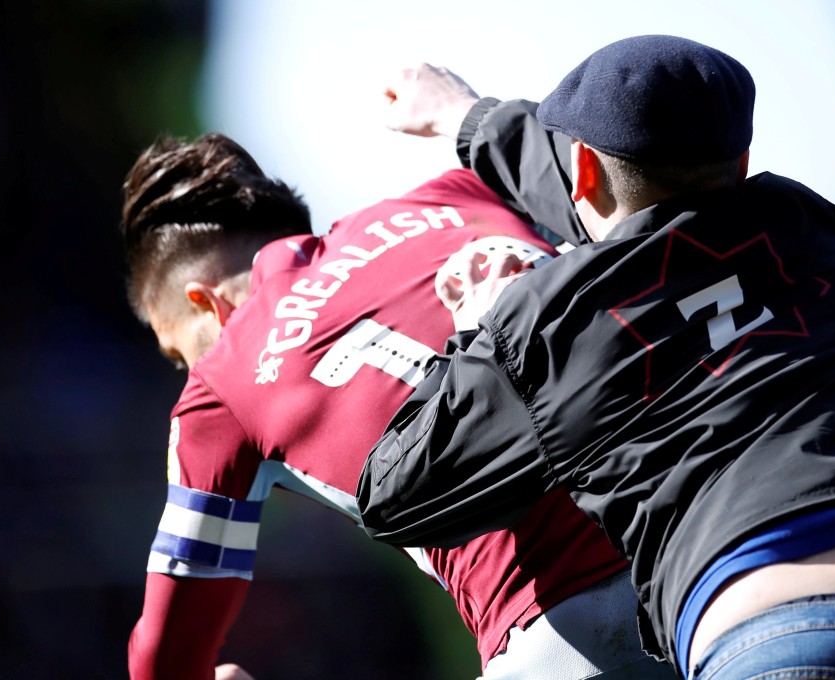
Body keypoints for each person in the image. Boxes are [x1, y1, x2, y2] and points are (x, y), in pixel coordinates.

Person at [357, 35, 835, 679]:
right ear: (743, 160)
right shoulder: (807, 229)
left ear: (582, 168)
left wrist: (477, 327)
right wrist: (467, 118)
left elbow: (396, 496)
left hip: (768, 632)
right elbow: (628, 197)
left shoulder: (544, 320)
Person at [120, 132, 679, 679]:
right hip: (714, 538)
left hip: (571, 630)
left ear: (207, 304)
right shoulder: (456, 194)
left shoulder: (219, 384)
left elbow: (165, 657)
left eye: (180, 355)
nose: (189, 373)